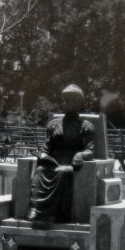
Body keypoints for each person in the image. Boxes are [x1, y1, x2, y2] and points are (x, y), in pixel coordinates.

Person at [27, 84, 95, 226]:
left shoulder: (85, 126)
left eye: (70, 100)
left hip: (71, 164)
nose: (66, 104)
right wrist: (44, 156)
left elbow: (90, 150)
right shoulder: (53, 125)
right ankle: (36, 209)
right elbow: (46, 148)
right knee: (39, 171)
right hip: (53, 162)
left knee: (63, 172)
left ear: (78, 103)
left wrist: (80, 156)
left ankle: (53, 214)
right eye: (64, 100)